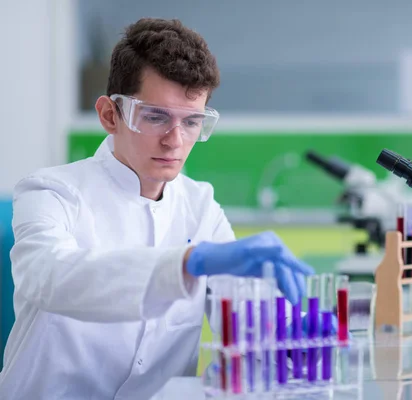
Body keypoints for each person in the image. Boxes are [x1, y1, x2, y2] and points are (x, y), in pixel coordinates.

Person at [0, 18, 318, 399]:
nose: (174, 140)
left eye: (192, 122)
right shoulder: (52, 191)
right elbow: (49, 277)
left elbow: (241, 319)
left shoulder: (201, 206)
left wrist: (284, 332)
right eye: (155, 116)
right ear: (109, 115)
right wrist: (186, 263)